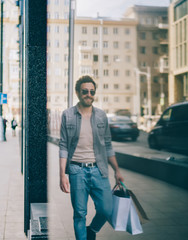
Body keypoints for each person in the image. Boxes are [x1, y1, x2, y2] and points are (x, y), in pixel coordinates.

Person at [59, 75, 124, 240]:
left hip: (99, 169)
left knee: (106, 209)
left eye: (92, 92)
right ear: (78, 92)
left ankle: (92, 230)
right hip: (76, 170)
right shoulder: (68, 115)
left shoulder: (101, 115)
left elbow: (108, 144)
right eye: (85, 91)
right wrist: (62, 175)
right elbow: (63, 145)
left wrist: (117, 170)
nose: (89, 94)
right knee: (80, 213)